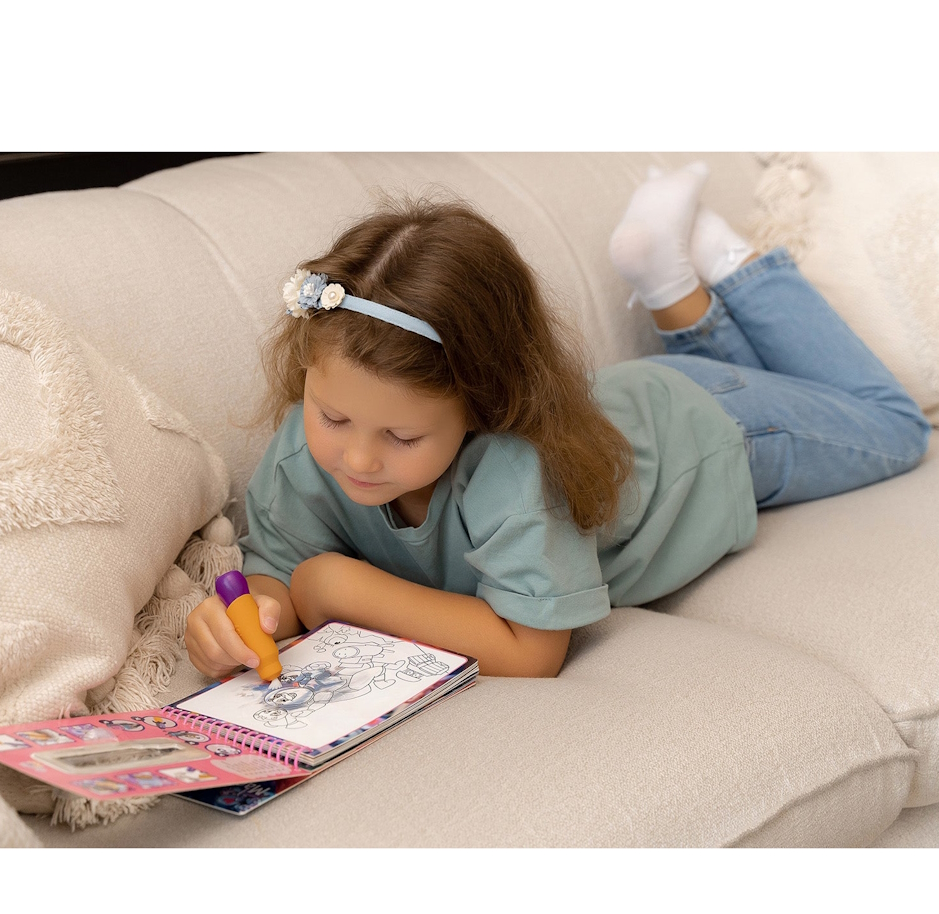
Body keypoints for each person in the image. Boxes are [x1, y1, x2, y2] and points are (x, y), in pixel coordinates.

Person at [185, 164, 931, 680]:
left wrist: (335, 587)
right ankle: (668, 281)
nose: (356, 458)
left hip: (712, 429)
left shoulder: (514, 471)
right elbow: (278, 567)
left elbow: (532, 651)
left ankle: (729, 262)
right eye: (333, 416)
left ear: (485, 406)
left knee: (896, 426)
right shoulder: (303, 449)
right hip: (632, 412)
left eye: (402, 437)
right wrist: (255, 615)